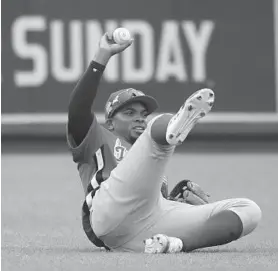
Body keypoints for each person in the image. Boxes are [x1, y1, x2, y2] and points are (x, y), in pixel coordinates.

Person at [67, 31, 262, 253]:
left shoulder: (149, 157)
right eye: (129, 113)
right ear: (110, 123)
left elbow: (144, 202)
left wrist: (174, 202)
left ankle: (176, 244)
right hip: (106, 214)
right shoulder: (98, 137)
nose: (139, 117)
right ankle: (171, 126)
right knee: (158, 128)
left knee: (249, 210)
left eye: (143, 113)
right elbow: (77, 110)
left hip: (142, 230)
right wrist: (101, 57)